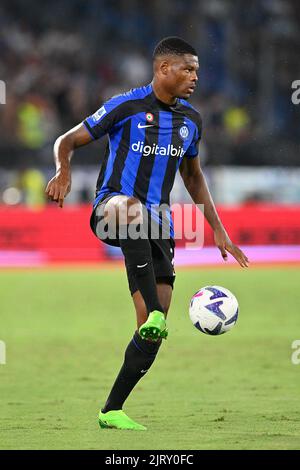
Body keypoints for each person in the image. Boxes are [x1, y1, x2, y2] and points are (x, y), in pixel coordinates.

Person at [46, 37, 249, 431]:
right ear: (163, 70)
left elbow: (193, 176)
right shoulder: (127, 106)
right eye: (186, 69)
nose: (194, 77)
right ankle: (156, 311)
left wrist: (218, 230)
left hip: (159, 225)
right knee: (132, 210)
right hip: (112, 209)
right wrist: (63, 170)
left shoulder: (192, 121)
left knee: (149, 330)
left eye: (197, 71)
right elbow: (66, 140)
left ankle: (112, 410)